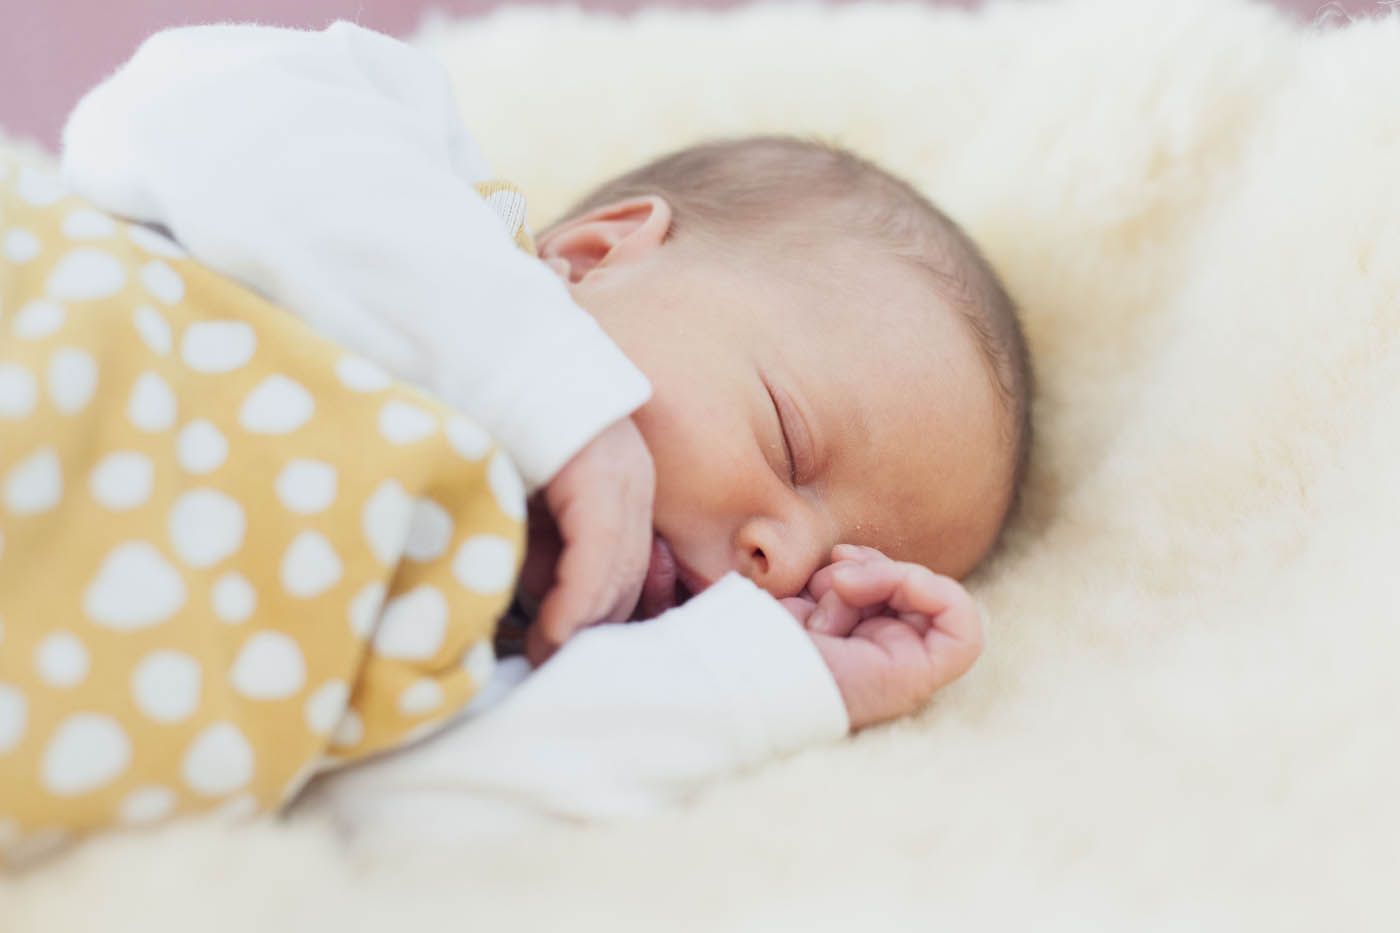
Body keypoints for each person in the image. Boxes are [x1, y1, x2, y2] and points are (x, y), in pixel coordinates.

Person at [0, 20, 1030, 860]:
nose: (782, 559)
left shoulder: (490, 660)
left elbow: (370, 832)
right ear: (595, 252)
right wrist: (547, 391)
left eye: (827, 574)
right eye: (788, 442)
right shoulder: (417, 214)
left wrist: (762, 682)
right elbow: (175, 108)